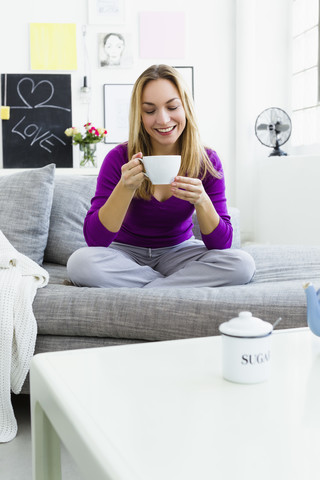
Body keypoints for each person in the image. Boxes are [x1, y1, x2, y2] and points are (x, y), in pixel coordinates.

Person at [67, 64, 255, 288]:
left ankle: (147, 288)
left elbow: (221, 245)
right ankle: (168, 286)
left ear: (186, 107)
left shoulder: (207, 161)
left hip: (180, 251)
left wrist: (202, 201)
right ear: (139, 115)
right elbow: (95, 240)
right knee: (79, 263)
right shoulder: (118, 158)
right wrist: (125, 188)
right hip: (125, 253)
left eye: (172, 107)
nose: (163, 120)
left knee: (242, 264)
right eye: (150, 110)